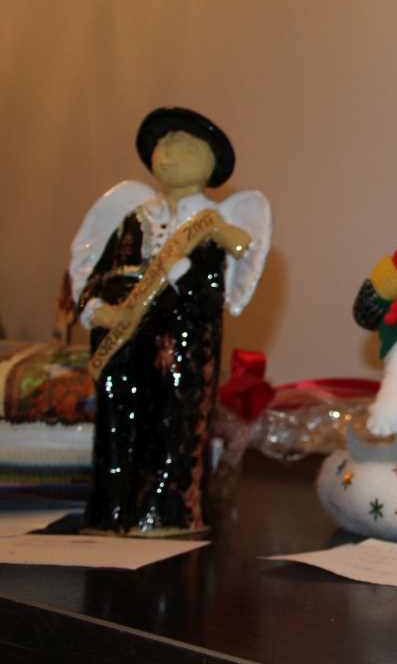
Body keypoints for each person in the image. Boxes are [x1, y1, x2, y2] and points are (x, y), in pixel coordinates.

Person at [69, 107, 270, 536]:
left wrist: (178, 271)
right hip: (124, 338)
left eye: (185, 146)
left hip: (180, 340)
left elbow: (211, 291)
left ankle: (166, 512)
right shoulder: (135, 218)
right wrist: (97, 307)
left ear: (210, 164)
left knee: (174, 422)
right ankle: (112, 511)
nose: (170, 153)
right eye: (164, 144)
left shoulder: (212, 225)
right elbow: (103, 270)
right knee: (117, 421)